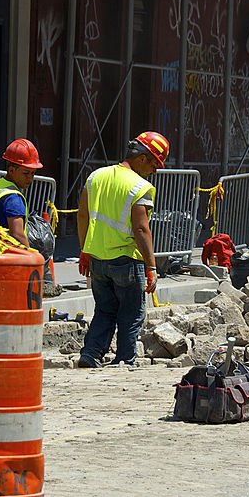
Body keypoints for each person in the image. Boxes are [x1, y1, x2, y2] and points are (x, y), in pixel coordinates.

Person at [76, 131, 169, 368]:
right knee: (130, 314)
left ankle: (91, 353)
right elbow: (141, 228)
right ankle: (125, 360)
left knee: (105, 310)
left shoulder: (96, 177)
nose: (155, 171)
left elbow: (83, 215)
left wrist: (85, 249)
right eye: (154, 164)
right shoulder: (140, 187)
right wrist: (151, 265)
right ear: (142, 158)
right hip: (127, 260)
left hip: (97, 258)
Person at [0, 138, 43, 247]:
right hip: (2, 255)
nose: (30, 179)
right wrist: (31, 257)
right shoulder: (13, 198)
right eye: (26, 173)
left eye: (33, 173)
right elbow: (17, 235)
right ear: (11, 170)